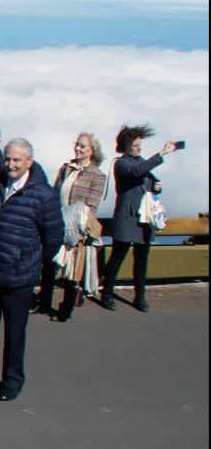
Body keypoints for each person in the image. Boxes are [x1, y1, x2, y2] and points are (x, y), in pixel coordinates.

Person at [0, 138, 63, 401]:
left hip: (18, 276)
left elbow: (53, 237)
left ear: (29, 161)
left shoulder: (43, 195)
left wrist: (29, 261)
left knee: (14, 332)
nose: (11, 164)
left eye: (17, 160)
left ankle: (12, 380)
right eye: (7, 159)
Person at [100, 125, 180, 312]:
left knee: (142, 258)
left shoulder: (140, 161)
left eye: (139, 145)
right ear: (125, 146)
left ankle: (140, 296)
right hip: (128, 217)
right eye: (135, 145)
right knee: (118, 256)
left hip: (143, 218)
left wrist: (157, 187)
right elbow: (137, 172)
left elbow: (147, 179)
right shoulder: (121, 163)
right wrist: (162, 153)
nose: (139, 148)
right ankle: (107, 294)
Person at [39, 133, 108, 321]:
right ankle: (43, 303)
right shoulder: (66, 169)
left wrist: (81, 229)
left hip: (76, 228)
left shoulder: (98, 176)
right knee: (50, 264)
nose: (77, 148)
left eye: (82, 146)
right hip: (57, 221)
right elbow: (54, 193)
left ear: (92, 151)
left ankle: (65, 309)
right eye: (76, 144)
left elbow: (91, 206)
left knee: (72, 270)